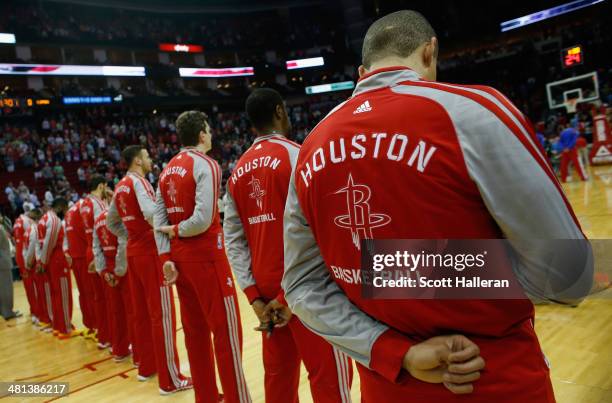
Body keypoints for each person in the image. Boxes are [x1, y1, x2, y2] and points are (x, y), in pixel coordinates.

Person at [281, 10, 592, 403]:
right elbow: (570, 273)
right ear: (430, 52)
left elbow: (302, 286)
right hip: (490, 377)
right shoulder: (474, 109)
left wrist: (396, 341)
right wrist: (411, 269)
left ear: (363, 70)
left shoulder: (309, 147)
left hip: (387, 383)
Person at [224, 88, 353, 403]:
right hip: (308, 291)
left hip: (266, 296)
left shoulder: (237, 172)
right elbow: (325, 229)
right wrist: (288, 296)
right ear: (280, 112)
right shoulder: (299, 155)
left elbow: (234, 240)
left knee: (278, 382)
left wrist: (254, 297)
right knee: (329, 381)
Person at [155, 111, 251, 403]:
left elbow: (157, 220)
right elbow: (204, 218)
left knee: (195, 335)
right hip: (207, 259)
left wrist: (166, 258)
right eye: (209, 130)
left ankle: (207, 397)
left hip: (180, 263)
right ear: (201, 135)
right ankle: (237, 398)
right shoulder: (207, 165)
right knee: (226, 335)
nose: (211, 135)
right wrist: (177, 229)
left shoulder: (167, 169)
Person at [106, 145, 192, 394]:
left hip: (134, 253)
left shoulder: (120, 186)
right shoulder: (139, 182)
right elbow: (151, 213)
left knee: (141, 314)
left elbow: (112, 222)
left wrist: (131, 235)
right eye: (146, 156)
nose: (150, 159)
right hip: (149, 254)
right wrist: (162, 232)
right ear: (137, 161)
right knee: (162, 315)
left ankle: (146, 368)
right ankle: (170, 380)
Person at [92, 207, 132, 362]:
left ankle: (119, 350)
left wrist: (103, 271)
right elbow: (123, 243)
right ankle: (137, 350)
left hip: (108, 269)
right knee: (131, 310)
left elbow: (96, 248)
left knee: (115, 312)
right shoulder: (117, 216)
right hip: (123, 268)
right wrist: (118, 271)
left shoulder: (97, 220)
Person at [80, 176, 111, 348]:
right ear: (101, 186)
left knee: (98, 298)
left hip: (88, 251)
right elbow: (103, 230)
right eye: (106, 187)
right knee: (108, 299)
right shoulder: (98, 204)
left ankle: (103, 336)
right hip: (99, 251)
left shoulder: (84, 203)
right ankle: (112, 338)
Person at [37, 197, 73, 338]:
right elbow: (49, 243)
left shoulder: (43, 219)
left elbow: (42, 245)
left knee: (56, 294)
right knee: (63, 294)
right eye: (64, 209)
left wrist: (42, 261)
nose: (65, 212)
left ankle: (58, 326)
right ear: (60, 207)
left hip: (51, 260)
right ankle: (65, 328)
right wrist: (43, 262)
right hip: (56, 260)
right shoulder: (54, 220)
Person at [63, 199, 96, 338]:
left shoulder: (68, 213)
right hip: (83, 256)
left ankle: (90, 326)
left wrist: (66, 251)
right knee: (91, 293)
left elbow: (66, 237)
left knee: (83, 293)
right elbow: (89, 232)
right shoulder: (84, 208)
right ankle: (97, 327)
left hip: (75, 257)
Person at [12, 204, 38, 321]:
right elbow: (32, 240)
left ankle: (33, 310)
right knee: (34, 286)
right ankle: (36, 311)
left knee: (28, 286)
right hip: (25, 255)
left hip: (19, 255)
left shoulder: (17, 222)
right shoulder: (27, 222)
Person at [22, 208, 43, 325]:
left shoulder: (28, 230)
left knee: (36, 291)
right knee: (39, 292)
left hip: (30, 263)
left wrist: (26, 262)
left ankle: (39, 314)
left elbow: (24, 250)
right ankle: (40, 315)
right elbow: (32, 248)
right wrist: (29, 262)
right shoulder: (35, 229)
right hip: (35, 264)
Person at [0, 219, 21, 320]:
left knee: (3, 289)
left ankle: (3, 311)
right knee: (6, 289)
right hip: (3, 263)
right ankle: (8, 312)